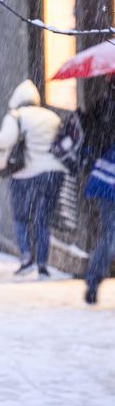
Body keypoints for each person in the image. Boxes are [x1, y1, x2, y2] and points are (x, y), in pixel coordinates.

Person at [0, 80, 64, 277]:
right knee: (43, 220)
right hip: (52, 173)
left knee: (22, 218)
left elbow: (4, 140)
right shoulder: (53, 117)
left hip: (25, 174)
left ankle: (26, 258)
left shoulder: (16, 116)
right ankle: (42, 264)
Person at [83, 86, 115, 304]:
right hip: (109, 178)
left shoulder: (102, 104)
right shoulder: (105, 106)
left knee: (109, 235)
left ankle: (93, 281)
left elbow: (93, 141)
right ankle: (93, 281)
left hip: (106, 178)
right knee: (110, 236)